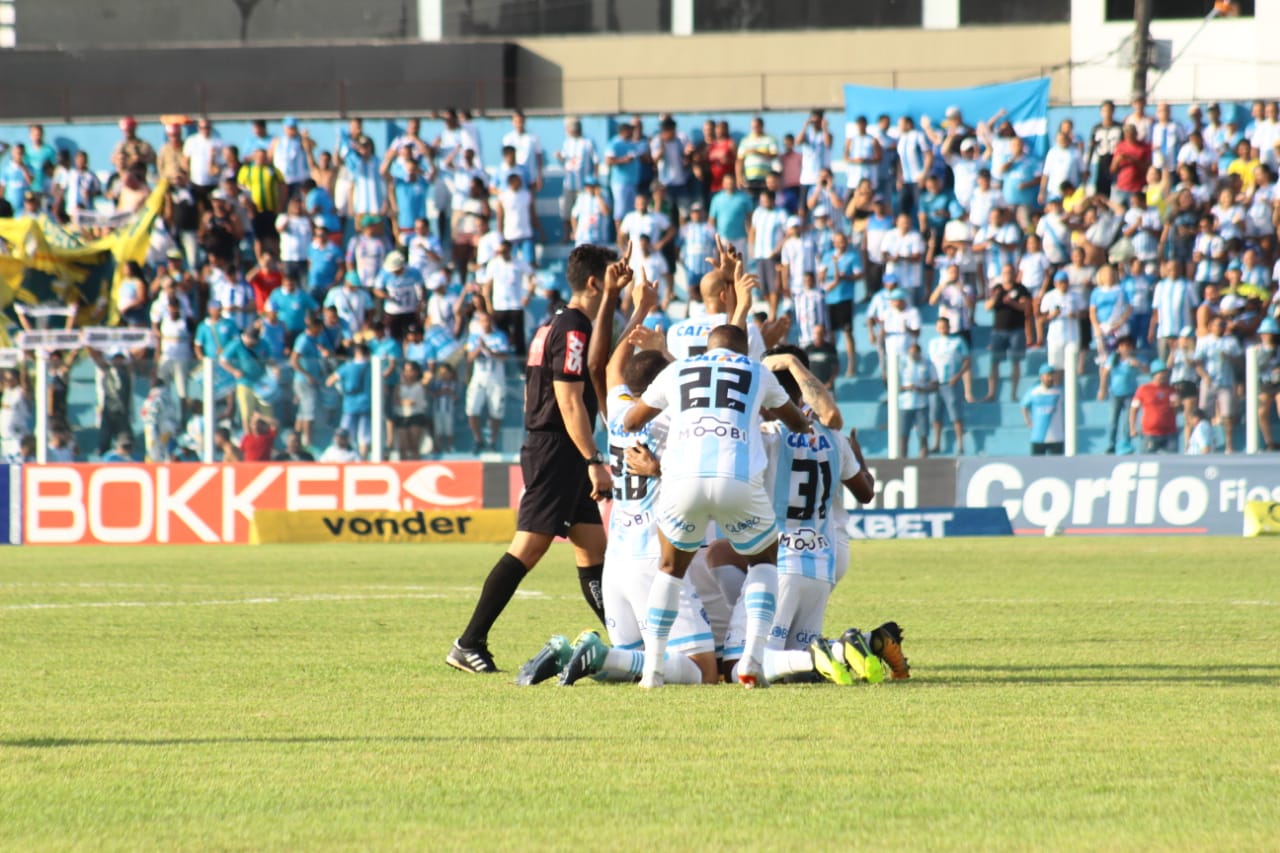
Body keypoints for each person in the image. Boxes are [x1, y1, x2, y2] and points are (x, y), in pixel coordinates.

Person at [447, 245, 621, 674]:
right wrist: (593, 458)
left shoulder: (555, 322)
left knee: (593, 549)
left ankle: (625, 647)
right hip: (559, 449)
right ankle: (468, 642)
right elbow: (568, 399)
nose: (620, 284)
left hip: (559, 447)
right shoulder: (575, 328)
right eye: (614, 277)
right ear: (594, 283)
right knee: (528, 547)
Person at [621, 323, 811, 688]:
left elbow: (631, 421)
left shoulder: (677, 369)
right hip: (737, 479)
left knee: (669, 569)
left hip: (681, 480)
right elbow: (797, 423)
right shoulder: (756, 370)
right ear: (742, 350)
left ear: (708, 348)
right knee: (763, 560)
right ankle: (752, 658)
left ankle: (653, 669)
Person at [464, 311, 512, 451]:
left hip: (496, 378)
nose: (486, 324)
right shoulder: (474, 337)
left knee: (496, 410)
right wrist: (480, 348)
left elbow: (504, 356)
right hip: (479, 377)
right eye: (483, 321)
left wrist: (488, 350)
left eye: (488, 321)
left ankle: (492, 441)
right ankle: (478, 439)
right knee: (472, 408)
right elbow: (469, 358)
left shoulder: (500, 336)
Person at [1194, 315, 1241, 453]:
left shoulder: (1231, 341)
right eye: (1217, 325)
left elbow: (1240, 361)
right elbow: (1197, 362)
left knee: (1227, 415)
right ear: (1210, 326)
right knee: (1204, 414)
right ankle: (1206, 444)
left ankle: (1229, 446)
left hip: (1226, 382)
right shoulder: (1204, 341)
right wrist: (1205, 376)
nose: (1220, 327)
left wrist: (1229, 357)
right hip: (1208, 382)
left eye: (1222, 325)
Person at [819, 230, 861, 375]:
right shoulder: (827, 256)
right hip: (830, 299)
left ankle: (851, 364)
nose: (840, 244)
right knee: (831, 334)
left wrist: (845, 277)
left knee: (847, 331)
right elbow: (821, 275)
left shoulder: (853, 256)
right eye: (837, 241)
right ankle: (833, 365)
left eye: (842, 241)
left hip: (845, 297)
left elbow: (859, 275)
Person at [928, 316, 970, 454]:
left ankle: (960, 444)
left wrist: (957, 376)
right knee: (935, 415)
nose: (942, 329)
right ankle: (936, 443)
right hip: (936, 384)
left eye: (944, 326)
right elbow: (929, 363)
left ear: (949, 327)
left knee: (955, 414)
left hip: (951, 383)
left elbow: (967, 360)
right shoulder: (933, 343)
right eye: (940, 326)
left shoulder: (957, 341)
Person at [1098, 336, 1146, 454]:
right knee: (1113, 421)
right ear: (1118, 348)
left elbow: (1147, 371)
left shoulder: (1136, 359)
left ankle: (1126, 444)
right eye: (1122, 346)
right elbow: (1105, 374)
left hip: (1130, 394)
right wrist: (1102, 390)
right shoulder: (1113, 359)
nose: (1125, 349)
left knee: (1127, 421)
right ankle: (1111, 444)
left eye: (1128, 346)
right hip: (1115, 394)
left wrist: (1139, 365)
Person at [327, 342, 373, 459]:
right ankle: (362, 460)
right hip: (367, 405)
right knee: (364, 436)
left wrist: (340, 387)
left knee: (345, 433)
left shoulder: (347, 367)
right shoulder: (372, 367)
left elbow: (330, 381)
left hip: (350, 405)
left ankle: (343, 458)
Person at [1129, 359, 1180, 453]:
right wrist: (1132, 427)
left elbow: (1175, 410)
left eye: (1165, 373)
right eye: (1160, 373)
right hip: (1149, 433)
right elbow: (1134, 409)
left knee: (1172, 460)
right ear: (1154, 374)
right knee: (1148, 460)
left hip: (1170, 433)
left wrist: (1177, 405)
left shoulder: (1171, 390)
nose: (1163, 375)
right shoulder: (1143, 389)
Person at [897, 342, 936, 459]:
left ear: (920, 353)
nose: (913, 356)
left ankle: (923, 459)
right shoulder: (902, 363)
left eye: (915, 353)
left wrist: (922, 389)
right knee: (903, 434)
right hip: (904, 404)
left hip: (921, 404)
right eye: (911, 353)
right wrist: (907, 388)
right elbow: (893, 385)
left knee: (923, 434)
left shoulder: (927, 364)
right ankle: (902, 459)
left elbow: (935, 385)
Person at [1022, 364, 1065, 456]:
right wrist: (1028, 422)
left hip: (1056, 436)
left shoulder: (1060, 391)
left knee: (1057, 463)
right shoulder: (1034, 391)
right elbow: (1024, 406)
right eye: (1048, 375)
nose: (1050, 378)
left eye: (1052, 375)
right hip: (1038, 436)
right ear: (1041, 377)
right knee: (1037, 463)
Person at [0, 368, 32, 459]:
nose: (7, 381)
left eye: (10, 379)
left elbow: (26, 385)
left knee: (17, 465)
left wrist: (23, 367)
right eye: (6, 379)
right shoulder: (6, 391)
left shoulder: (20, 392)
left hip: (18, 439)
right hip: (4, 438)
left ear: (17, 379)